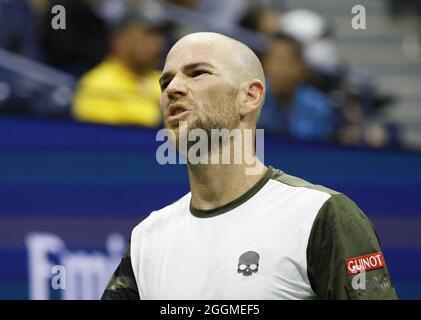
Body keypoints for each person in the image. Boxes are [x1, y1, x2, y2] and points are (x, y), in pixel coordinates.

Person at [101, 32, 397, 300]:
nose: (173, 88)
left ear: (250, 96)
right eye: (166, 81)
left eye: (197, 73)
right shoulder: (148, 237)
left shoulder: (321, 215)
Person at [72, 12, 167, 127]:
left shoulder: (168, 80)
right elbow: (101, 136)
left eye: (159, 35)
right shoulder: (96, 84)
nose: (156, 42)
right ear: (119, 40)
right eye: (147, 34)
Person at [259, 33, 337, 141]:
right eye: (277, 60)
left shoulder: (318, 106)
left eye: (289, 61)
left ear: (301, 66)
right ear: (264, 64)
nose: (283, 69)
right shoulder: (250, 103)